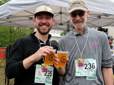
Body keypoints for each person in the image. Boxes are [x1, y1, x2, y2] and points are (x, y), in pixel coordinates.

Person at [6, 5, 64, 85]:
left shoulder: (55, 46)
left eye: (47, 18)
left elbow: (61, 73)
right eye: (40, 18)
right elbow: (9, 72)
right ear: (34, 21)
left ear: (53, 22)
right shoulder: (21, 43)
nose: (44, 21)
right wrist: (34, 57)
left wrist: (59, 66)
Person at [59, 0, 113, 85]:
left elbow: (107, 67)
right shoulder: (63, 41)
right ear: (69, 16)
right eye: (74, 14)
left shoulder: (101, 37)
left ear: (88, 13)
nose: (77, 18)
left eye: (81, 13)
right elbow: (62, 72)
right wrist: (58, 65)